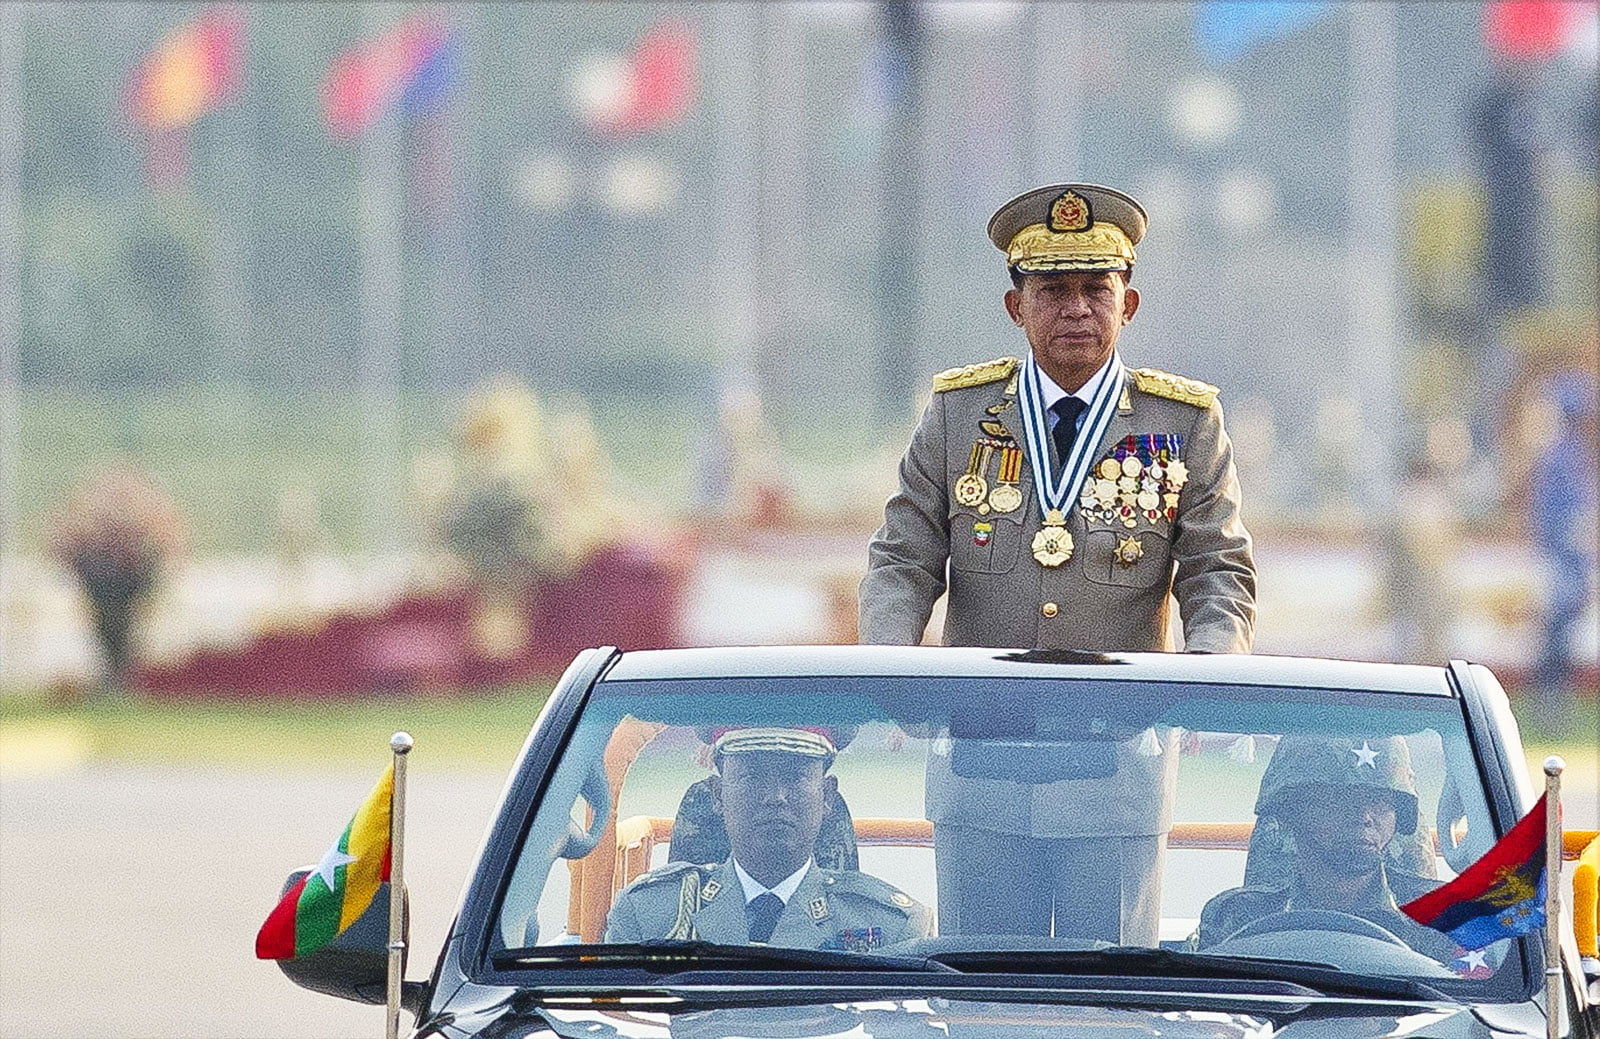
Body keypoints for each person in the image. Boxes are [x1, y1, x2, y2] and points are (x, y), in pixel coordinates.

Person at [859, 183, 1256, 943]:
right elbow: (901, 558)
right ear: (1017, 308)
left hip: (1115, 774)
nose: (1077, 308)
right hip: (980, 772)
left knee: (1110, 1013)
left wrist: (1210, 673)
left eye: (1095, 289)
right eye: (1053, 290)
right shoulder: (957, 414)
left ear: (1128, 304)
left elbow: (1219, 572)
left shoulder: (1185, 423)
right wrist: (889, 665)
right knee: (978, 1006)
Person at [604, 727, 931, 951]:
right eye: (751, 775)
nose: (775, 796)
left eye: (796, 775)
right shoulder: (647, 915)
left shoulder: (891, 927)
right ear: (717, 795)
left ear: (827, 795)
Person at [1191, 736, 1455, 962]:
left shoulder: (1447, 918)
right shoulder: (1234, 917)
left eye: (1379, 800)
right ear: (1291, 812)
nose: (1364, 816)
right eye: (1340, 799)